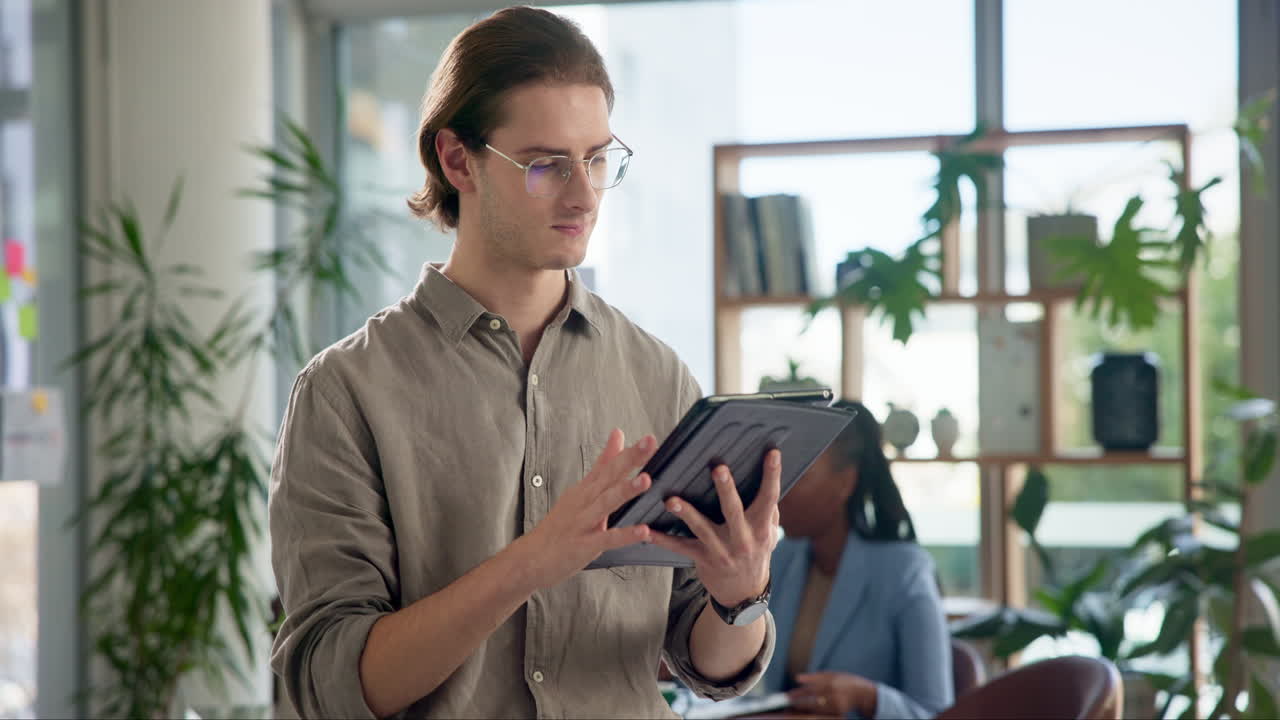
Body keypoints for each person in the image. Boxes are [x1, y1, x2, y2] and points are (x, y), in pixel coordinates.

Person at [267, 6, 777, 719]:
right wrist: (529, 564)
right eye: (546, 165)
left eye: (598, 159)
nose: (583, 195)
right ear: (455, 160)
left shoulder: (658, 375)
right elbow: (333, 685)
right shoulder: (346, 391)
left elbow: (709, 664)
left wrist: (739, 595)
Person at [761, 400, 954, 719]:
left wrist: (868, 698)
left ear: (845, 482)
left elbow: (934, 711)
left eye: (800, 476)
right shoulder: (783, 558)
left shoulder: (904, 572)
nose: (780, 491)